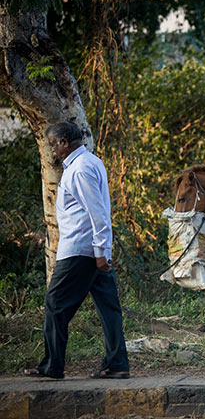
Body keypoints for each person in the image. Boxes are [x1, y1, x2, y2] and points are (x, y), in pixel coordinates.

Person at [24, 121, 130, 379]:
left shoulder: (80, 169)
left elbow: (98, 213)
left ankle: (53, 367)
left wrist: (101, 251)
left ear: (63, 143)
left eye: (52, 145)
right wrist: (102, 250)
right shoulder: (90, 162)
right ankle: (116, 364)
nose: (51, 151)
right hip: (93, 250)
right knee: (108, 308)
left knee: (55, 304)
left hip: (81, 251)